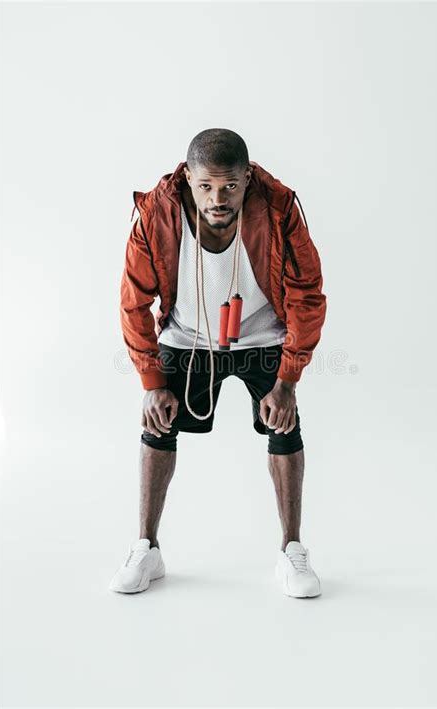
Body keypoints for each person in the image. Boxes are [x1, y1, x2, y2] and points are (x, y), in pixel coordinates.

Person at [109, 128, 327, 598]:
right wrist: (152, 380)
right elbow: (133, 302)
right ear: (188, 177)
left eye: (230, 185)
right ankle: (147, 546)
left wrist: (287, 380)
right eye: (206, 185)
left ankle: (291, 549)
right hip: (187, 335)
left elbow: (308, 294)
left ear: (247, 178)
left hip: (263, 333)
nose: (218, 197)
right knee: (157, 423)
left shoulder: (279, 208)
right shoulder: (157, 213)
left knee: (285, 427)